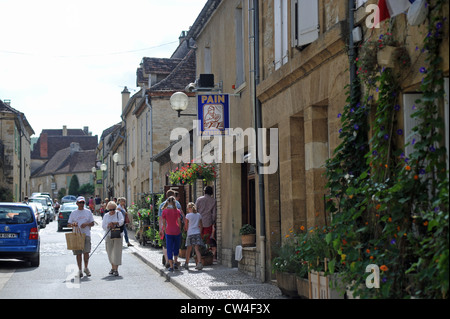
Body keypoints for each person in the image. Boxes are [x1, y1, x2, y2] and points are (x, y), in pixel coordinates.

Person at [67, 196, 95, 278]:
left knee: (86, 252)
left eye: (83, 202)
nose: (81, 204)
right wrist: (73, 224)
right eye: (80, 202)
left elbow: (93, 223)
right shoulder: (73, 213)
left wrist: (86, 224)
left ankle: (86, 268)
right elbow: (68, 224)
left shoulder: (88, 212)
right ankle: (79, 270)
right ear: (77, 203)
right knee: (78, 254)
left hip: (86, 234)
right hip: (77, 235)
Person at [158, 189, 183, 268]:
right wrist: (181, 228)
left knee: (167, 246)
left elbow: (162, 220)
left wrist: (162, 230)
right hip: (176, 230)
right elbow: (179, 219)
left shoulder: (163, 208)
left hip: (168, 230)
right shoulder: (177, 208)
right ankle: (175, 261)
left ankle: (169, 263)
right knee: (176, 246)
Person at [102, 201, 124, 277]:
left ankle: (116, 269)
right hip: (108, 235)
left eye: (113, 209)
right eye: (110, 209)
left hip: (118, 235)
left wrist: (115, 223)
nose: (112, 211)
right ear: (108, 209)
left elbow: (121, 222)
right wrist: (108, 225)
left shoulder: (119, 213)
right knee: (110, 252)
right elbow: (103, 226)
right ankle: (112, 267)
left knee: (117, 252)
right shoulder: (106, 216)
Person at [195, 186, 217, 259]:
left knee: (199, 239)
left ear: (204, 191)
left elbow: (195, 211)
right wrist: (213, 221)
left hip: (199, 222)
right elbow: (214, 214)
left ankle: (199, 255)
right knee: (207, 240)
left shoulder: (199, 199)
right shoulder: (213, 201)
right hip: (208, 222)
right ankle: (206, 255)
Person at [183, 203, 204, 270]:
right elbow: (201, 225)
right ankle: (199, 263)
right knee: (197, 249)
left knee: (188, 249)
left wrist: (186, 230)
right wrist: (199, 232)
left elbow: (186, 226)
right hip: (197, 233)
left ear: (189, 208)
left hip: (190, 233)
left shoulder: (188, 215)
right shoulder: (198, 215)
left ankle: (186, 263)